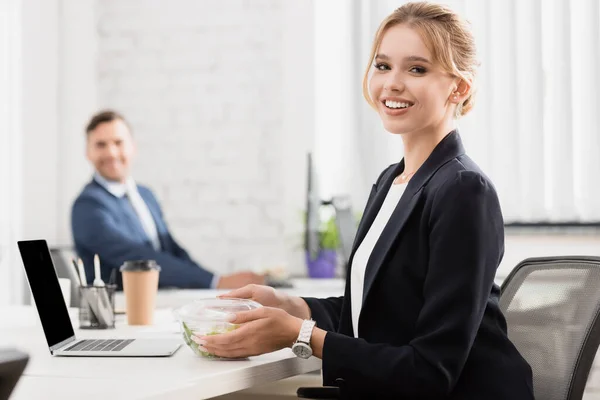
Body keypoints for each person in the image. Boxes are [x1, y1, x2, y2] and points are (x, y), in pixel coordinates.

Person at [193, 2, 534, 399]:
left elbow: (430, 371)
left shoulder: (463, 190)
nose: (392, 83)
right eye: (383, 65)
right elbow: (373, 312)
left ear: (459, 87)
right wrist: (288, 305)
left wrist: (300, 335)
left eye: (417, 69)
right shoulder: (392, 181)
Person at [71, 110, 265, 289]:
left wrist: (214, 280)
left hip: (162, 302)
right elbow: (138, 259)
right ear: (88, 153)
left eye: (118, 142)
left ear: (133, 147)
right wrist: (215, 282)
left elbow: (171, 250)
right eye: (100, 145)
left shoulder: (144, 195)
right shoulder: (88, 207)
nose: (111, 153)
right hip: (121, 312)